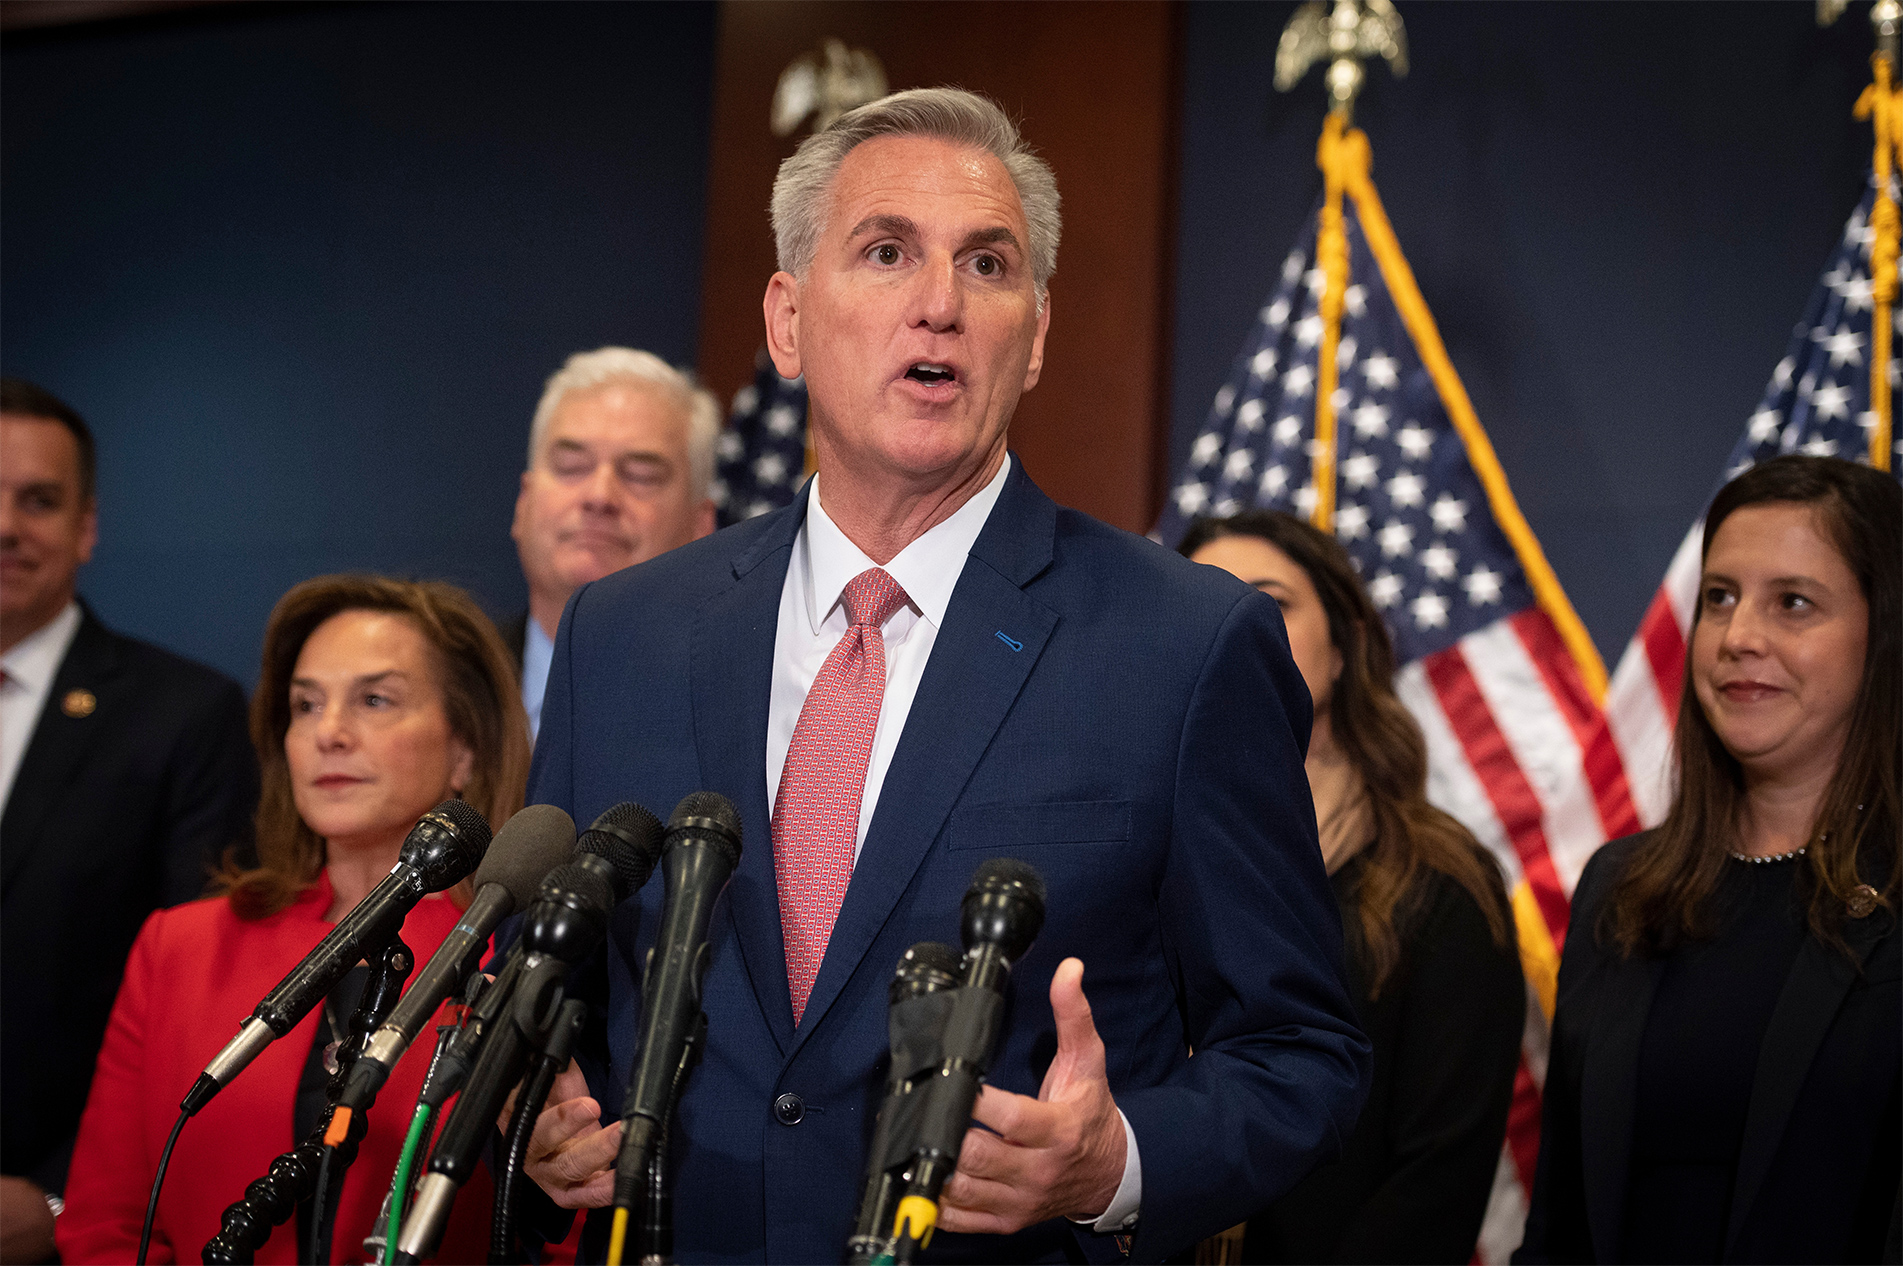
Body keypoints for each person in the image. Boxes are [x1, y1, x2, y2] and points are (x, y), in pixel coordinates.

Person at [516, 88, 1369, 1263]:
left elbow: (1300, 1053)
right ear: (788, 322)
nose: (939, 305)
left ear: (1036, 333)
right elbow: (553, 1005)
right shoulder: (623, 635)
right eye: (886, 252)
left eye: (986, 264)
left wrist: (1113, 1162)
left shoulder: (1184, 643)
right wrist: (535, 1120)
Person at [57, 575, 533, 1263]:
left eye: (374, 700)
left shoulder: (515, 954)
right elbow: (106, 1227)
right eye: (305, 705)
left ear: (467, 748)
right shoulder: (180, 947)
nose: (328, 733)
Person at [1516, 455, 1900, 1264]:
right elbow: (1558, 1221)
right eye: (1718, 598)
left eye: (1792, 603)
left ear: (1883, 637)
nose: (1738, 637)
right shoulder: (1620, 888)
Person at [1180, 510, 1524, 1263]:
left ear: (1344, 647)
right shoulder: (1137, 860)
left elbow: (1439, 1181)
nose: (1233, 626)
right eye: (1203, 602)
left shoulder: (1441, 884)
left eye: (1268, 602)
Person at [0, 378, 258, 1264]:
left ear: (86, 528)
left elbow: (200, 1004)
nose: (6, 526)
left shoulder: (184, 716)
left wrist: (61, 1196)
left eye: (39, 501)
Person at [508, 347, 720, 739]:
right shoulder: (449, 687)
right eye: (571, 467)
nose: (600, 495)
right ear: (523, 503)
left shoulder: (733, 716)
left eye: (640, 475)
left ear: (700, 526)